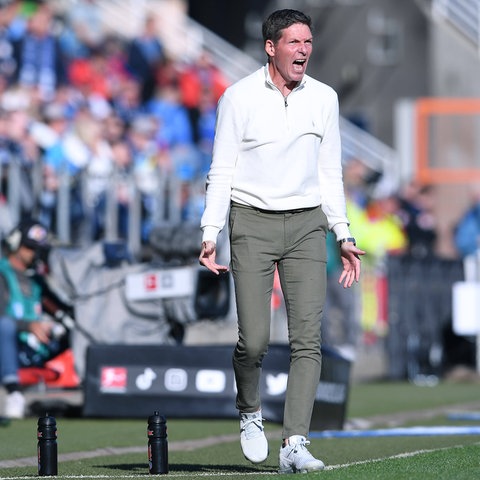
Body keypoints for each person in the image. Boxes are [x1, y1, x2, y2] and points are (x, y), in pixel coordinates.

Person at [199, 9, 364, 474]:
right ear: (271, 47)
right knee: (252, 342)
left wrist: (343, 232)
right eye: (294, 42)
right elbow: (222, 170)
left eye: (308, 42)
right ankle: (249, 410)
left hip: (308, 225)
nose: (304, 50)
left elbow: (329, 172)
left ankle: (294, 442)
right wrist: (210, 233)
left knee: (308, 339)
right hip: (251, 223)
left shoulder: (325, 99)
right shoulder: (238, 97)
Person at [0, 218, 60, 418]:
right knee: (5, 325)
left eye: (36, 249)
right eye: (28, 247)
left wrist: (51, 324)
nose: (32, 253)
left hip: (33, 347)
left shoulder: (36, 280)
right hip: (9, 344)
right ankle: (13, 392)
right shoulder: (2, 274)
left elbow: (59, 308)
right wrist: (29, 326)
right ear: (15, 244)